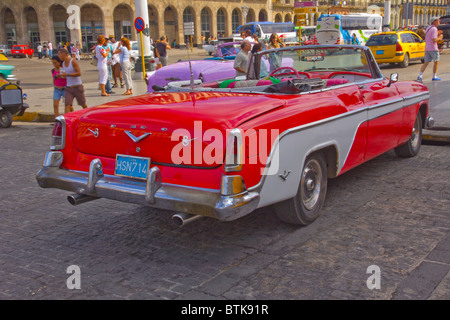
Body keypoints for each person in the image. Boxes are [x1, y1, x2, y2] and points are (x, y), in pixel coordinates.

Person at [57, 48, 88, 114]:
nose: (58, 56)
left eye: (59, 54)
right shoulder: (62, 64)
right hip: (68, 88)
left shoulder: (73, 62)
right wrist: (60, 75)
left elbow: (78, 73)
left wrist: (67, 74)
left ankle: (88, 115)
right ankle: (67, 120)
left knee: (83, 104)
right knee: (67, 104)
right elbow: (64, 75)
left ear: (64, 54)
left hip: (77, 87)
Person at [418, 17, 444, 81]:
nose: (439, 21)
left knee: (426, 62)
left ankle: (420, 75)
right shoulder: (434, 29)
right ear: (434, 21)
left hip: (427, 48)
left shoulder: (428, 28)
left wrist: (437, 33)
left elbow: (430, 36)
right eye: (438, 20)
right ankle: (434, 76)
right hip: (433, 48)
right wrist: (440, 37)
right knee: (436, 62)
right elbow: (434, 39)